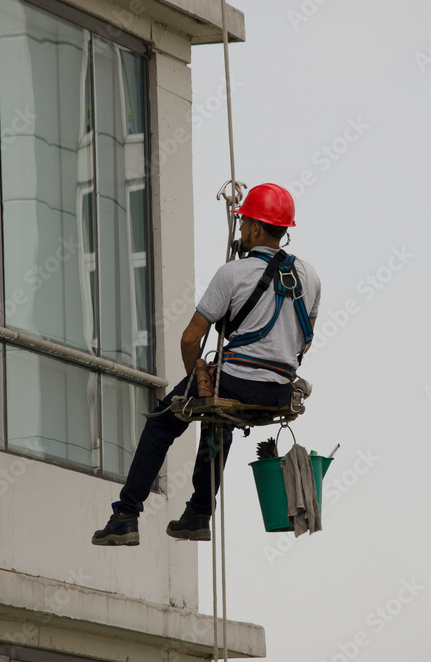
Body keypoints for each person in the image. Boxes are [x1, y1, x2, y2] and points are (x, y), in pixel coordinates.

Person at [92, 183, 321, 546]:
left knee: (163, 422)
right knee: (220, 422)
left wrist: (196, 381)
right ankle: (198, 514)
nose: (242, 229)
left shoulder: (232, 273)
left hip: (235, 381)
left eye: (244, 223)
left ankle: (126, 515)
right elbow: (302, 343)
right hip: (279, 392)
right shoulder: (310, 278)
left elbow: (189, 338)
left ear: (256, 228)